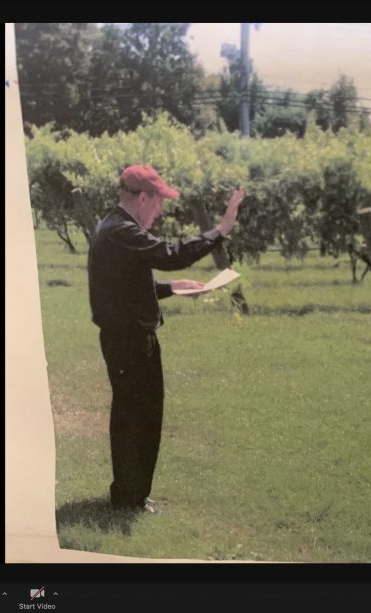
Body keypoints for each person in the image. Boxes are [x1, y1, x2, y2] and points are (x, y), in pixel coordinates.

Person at [88, 164, 245, 514]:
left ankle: (129, 493)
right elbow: (170, 255)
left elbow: (126, 287)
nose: (159, 212)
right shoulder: (122, 231)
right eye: (158, 203)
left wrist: (172, 289)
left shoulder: (114, 226)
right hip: (129, 340)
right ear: (143, 197)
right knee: (138, 417)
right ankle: (129, 499)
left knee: (134, 415)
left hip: (127, 336)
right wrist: (220, 230)